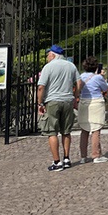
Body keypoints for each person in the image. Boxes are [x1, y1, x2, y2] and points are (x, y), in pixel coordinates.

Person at [36, 44, 81, 172]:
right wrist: (75, 97)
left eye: (48, 54)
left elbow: (41, 87)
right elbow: (79, 82)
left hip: (52, 101)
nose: (47, 57)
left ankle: (57, 162)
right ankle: (66, 158)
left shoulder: (48, 67)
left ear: (53, 54)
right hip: (67, 100)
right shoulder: (70, 66)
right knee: (66, 131)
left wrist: (40, 103)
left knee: (52, 131)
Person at [77, 57, 108, 164]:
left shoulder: (81, 76)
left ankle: (83, 156)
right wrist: (102, 77)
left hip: (83, 102)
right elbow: (105, 88)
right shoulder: (97, 77)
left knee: (84, 129)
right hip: (96, 102)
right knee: (96, 129)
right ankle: (96, 155)